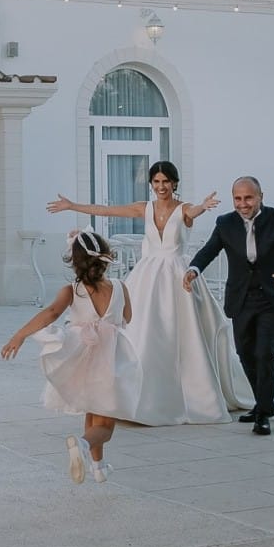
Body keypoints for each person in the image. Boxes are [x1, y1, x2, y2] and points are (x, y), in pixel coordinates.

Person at [48, 162, 234, 424]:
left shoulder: (183, 209)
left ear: (174, 183)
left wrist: (203, 206)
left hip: (176, 274)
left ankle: (190, 393)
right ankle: (133, 392)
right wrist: (72, 206)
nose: (161, 187)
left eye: (166, 182)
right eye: (156, 182)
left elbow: (193, 211)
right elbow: (105, 210)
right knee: (142, 329)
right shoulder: (143, 208)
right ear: (151, 184)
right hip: (147, 274)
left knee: (181, 332)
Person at [1, 229, 140, 484]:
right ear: (106, 257)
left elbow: (51, 313)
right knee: (105, 426)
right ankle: (83, 444)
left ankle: (97, 468)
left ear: (74, 262)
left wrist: (19, 335)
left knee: (92, 412)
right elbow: (127, 318)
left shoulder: (71, 291)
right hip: (109, 360)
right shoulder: (120, 287)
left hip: (82, 360)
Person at [183, 176, 274, 437]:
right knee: (245, 352)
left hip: (272, 296)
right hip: (241, 298)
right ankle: (263, 402)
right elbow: (210, 250)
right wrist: (193, 269)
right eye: (238, 198)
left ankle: (262, 414)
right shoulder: (225, 223)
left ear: (261, 196)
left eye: (248, 197)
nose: (243, 203)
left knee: (265, 353)